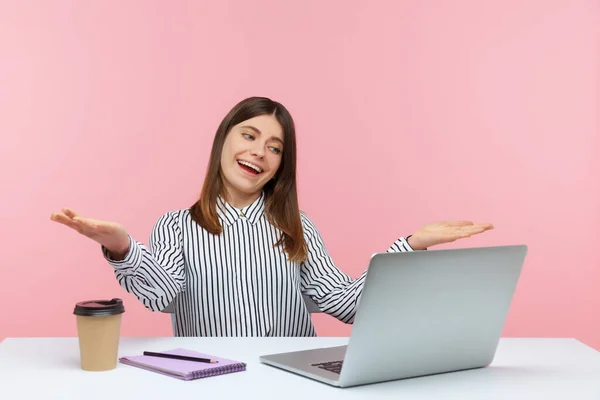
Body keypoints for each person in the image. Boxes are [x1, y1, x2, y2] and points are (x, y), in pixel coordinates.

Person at [50, 96, 493, 337]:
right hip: (211, 380)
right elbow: (162, 295)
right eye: (249, 135)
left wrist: (410, 245)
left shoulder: (297, 227)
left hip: (292, 381)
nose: (259, 153)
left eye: (275, 147)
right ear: (223, 140)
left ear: (282, 164)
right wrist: (121, 245)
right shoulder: (176, 226)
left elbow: (346, 304)